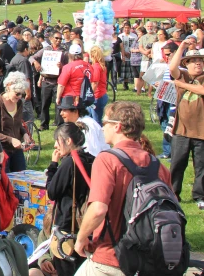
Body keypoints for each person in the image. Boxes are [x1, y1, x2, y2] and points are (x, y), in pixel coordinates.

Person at [74, 102, 172, 275]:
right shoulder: (158, 166)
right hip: (150, 258)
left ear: (117, 126)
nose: (102, 128)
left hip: (111, 257)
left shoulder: (107, 160)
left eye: (104, 123)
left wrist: (81, 239)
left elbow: (98, 209)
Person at [45, 122, 95, 276]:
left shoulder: (69, 163)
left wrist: (53, 166)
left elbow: (52, 192)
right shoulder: (92, 159)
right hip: (87, 224)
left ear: (68, 141)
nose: (55, 145)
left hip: (68, 226)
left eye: (57, 140)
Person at [168, 42, 204, 207]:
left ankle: (200, 196)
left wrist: (181, 85)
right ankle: (173, 193)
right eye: (193, 60)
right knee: (177, 163)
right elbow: (172, 68)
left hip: (201, 131)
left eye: (200, 60)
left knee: (201, 166)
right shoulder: (182, 75)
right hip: (181, 130)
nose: (198, 63)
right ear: (186, 64)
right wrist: (181, 47)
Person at [0, 71, 31, 172]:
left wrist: (24, 133)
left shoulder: (19, 103)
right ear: (8, 87)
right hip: (1, 150)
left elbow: (17, 123)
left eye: (22, 94)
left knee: (21, 178)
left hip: (16, 150)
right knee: (6, 182)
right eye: (17, 93)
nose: (19, 97)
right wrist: (10, 140)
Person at [30, 30, 69, 130]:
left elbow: (69, 66)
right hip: (46, 80)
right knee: (45, 103)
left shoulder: (64, 52)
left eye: (60, 38)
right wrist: (36, 63)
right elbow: (31, 57)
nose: (58, 40)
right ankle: (44, 124)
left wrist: (62, 66)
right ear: (51, 39)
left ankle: (59, 124)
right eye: (56, 38)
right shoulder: (46, 50)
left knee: (58, 103)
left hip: (58, 81)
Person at [88, 46, 109, 125]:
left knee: (96, 121)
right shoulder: (102, 66)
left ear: (92, 56)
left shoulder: (96, 67)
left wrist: (90, 95)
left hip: (97, 96)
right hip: (102, 94)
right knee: (89, 117)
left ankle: (99, 136)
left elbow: (95, 83)